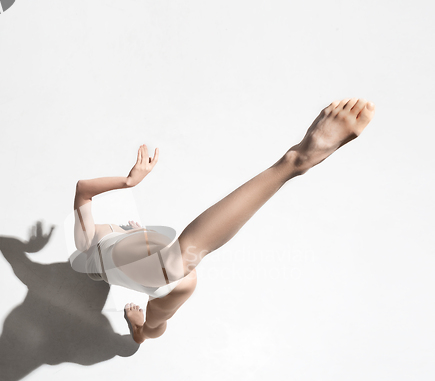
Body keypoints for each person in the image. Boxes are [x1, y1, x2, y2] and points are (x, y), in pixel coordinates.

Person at [72, 98, 375, 344]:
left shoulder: (93, 245)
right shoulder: (90, 246)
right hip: (171, 276)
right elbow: (83, 189)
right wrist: (128, 182)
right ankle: (294, 162)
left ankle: (141, 331)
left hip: (171, 276)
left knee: (160, 312)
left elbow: (83, 194)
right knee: (171, 281)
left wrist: (139, 237)